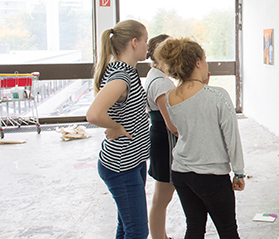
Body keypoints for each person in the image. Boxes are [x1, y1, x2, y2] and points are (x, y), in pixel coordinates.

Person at [157, 37, 245, 239]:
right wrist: (238, 172)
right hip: (211, 176)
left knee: (195, 228)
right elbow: (232, 137)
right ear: (197, 62)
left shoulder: (171, 96)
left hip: (181, 173)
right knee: (228, 231)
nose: (207, 65)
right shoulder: (218, 95)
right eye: (205, 60)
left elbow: (185, 127)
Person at [86, 19, 151, 239]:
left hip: (134, 161)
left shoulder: (128, 71)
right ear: (134, 42)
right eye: (145, 41)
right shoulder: (121, 76)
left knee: (127, 227)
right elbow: (93, 114)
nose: (147, 46)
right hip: (122, 167)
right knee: (138, 232)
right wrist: (117, 126)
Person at [144, 34, 177, 239]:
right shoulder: (161, 83)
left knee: (160, 197)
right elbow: (172, 124)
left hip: (159, 138)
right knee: (162, 198)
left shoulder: (153, 76)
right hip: (165, 142)